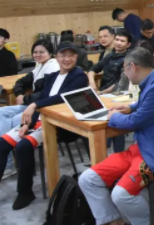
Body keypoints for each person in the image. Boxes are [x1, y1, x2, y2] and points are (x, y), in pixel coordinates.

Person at [79, 48, 154, 225]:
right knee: (88, 179)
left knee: (121, 194)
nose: (125, 74)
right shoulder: (153, 81)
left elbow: (135, 122)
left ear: (132, 66)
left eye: (125, 69)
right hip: (140, 149)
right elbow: (144, 107)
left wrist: (114, 116)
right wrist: (130, 107)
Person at [0, 41, 88, 209]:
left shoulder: (79, 76)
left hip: (59, 125)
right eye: (63, 55)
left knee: (23, 146)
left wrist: (34, 105)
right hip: (39, 120)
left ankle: (25, 192)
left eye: (71, 55)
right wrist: (27, 124)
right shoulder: (53, 77)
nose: (67, 59)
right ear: (57, 57)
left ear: (76, 57)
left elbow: (62, 97)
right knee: (2, 144)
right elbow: (42, 101)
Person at [0, 39, 59, 178]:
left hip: (42, 108)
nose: (38, 55)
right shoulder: (39, 66)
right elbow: (20, 82)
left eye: (41, 52)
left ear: (50, 53)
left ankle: (8, 164)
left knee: (7, 121)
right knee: (1, 113)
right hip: (30, 105)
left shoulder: (53, 67)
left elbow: (45, 94)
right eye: (35, 52)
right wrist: (20, 94)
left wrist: (26, 99)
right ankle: (7, 160)